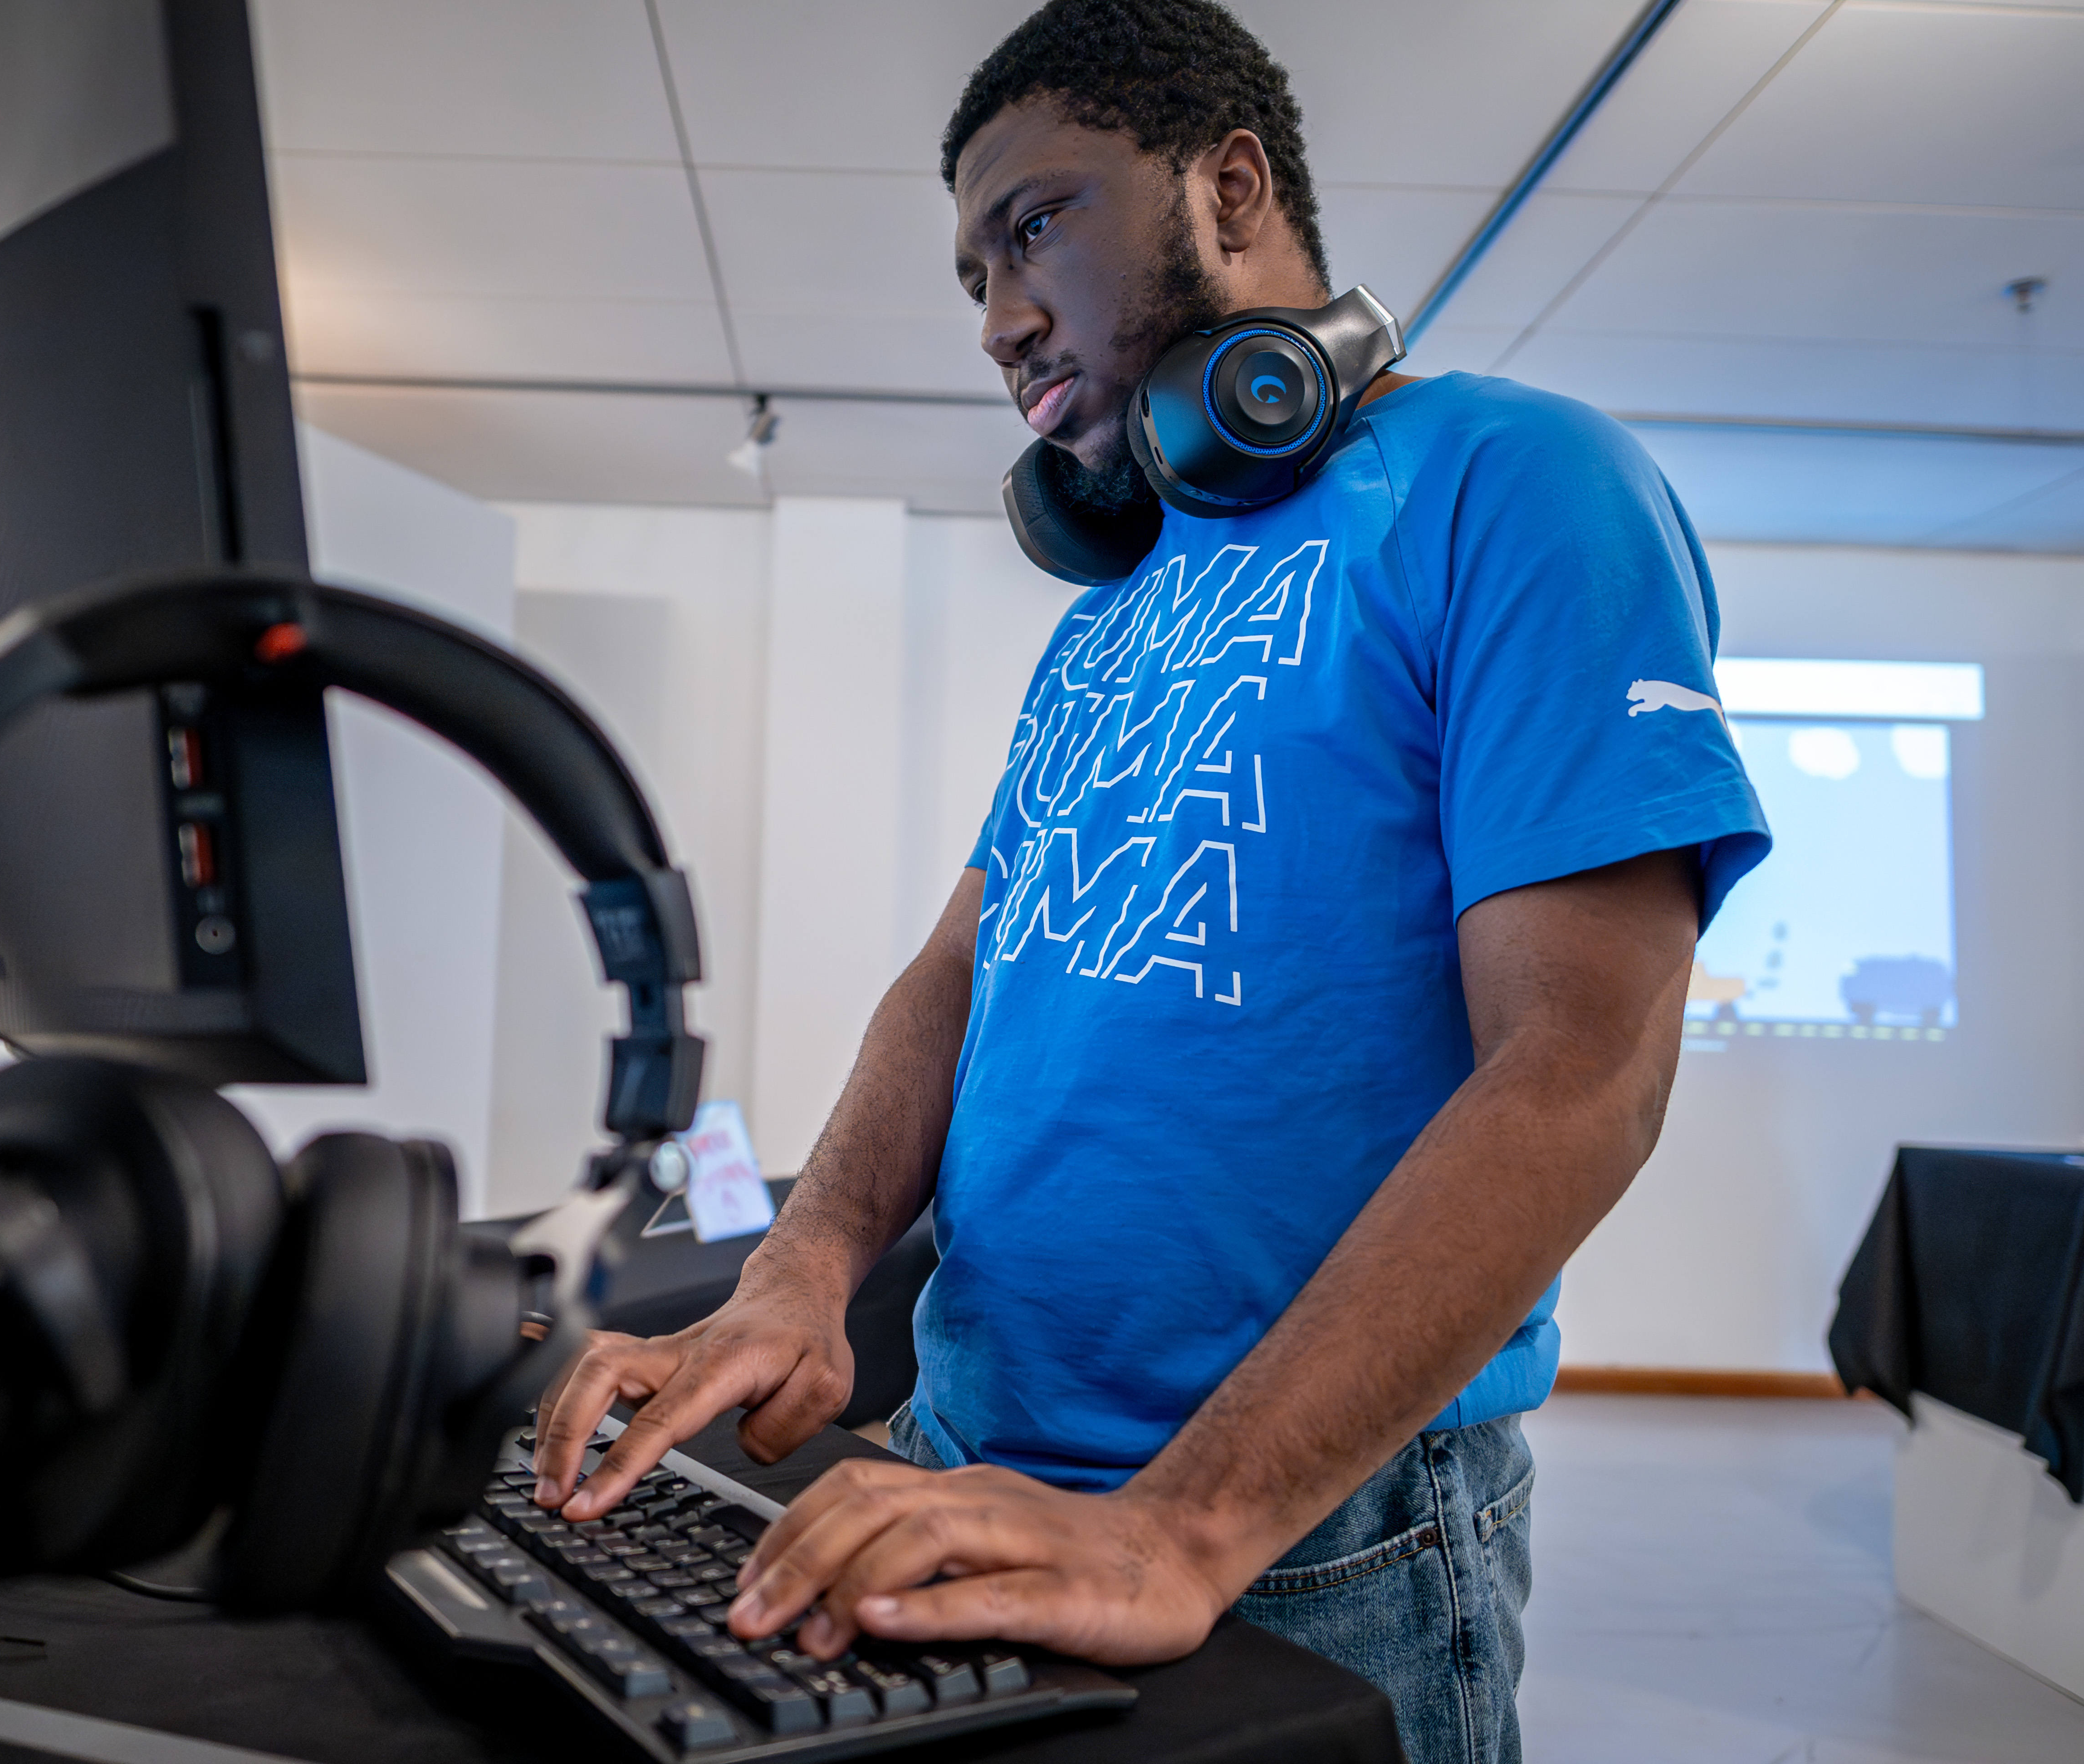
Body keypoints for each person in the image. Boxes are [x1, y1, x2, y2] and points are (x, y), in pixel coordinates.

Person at [533, 2, 1769, 1756]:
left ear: (1230, 186)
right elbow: (964, 975)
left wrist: (1184, 1524)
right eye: (971, 270)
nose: (997, 315)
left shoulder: (1518, 482)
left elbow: (1586, 1066)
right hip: (962, 1468)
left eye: (1036, 225)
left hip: (1297, 1537)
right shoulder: (1117, 607)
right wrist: (801, 1269)